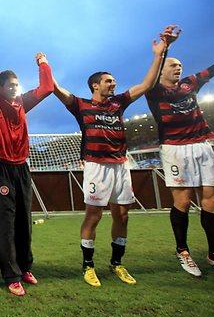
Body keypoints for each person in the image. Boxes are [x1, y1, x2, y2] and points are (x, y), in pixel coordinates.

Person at [52, 26, 178, 287]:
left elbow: (147, 84)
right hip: (96, 166)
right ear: (95, 85)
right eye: (108, 81)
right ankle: (88, 266)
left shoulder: (119, 102)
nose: (114, 83)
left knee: (122, 215)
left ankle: (117, 263)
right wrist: (44, 65)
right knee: (94, 216)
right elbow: (56, 89)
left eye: (114, 81)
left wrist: (160, 52)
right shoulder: (81, 105)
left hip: (121, 165)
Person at [146, 45, 214, 286]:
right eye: (173, 65)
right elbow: (153, 73)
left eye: (180, 66)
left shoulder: (190, 83)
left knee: (212, 201)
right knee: (183, 201)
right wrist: (164, 48)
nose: (178, 68)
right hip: (175, 148)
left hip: (202, 145)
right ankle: (182, 251)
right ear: (161, 69)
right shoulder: (153, 91)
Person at [0, 36, 53, 296]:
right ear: (0, 87)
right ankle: (11, 275)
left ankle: (25, 267)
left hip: (21, 168)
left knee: (23, 220)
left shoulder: (22, 103)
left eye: (18, 85)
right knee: (5, 222)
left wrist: (43, 62)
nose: (16, 88)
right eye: (11, 85)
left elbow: (47, 88)